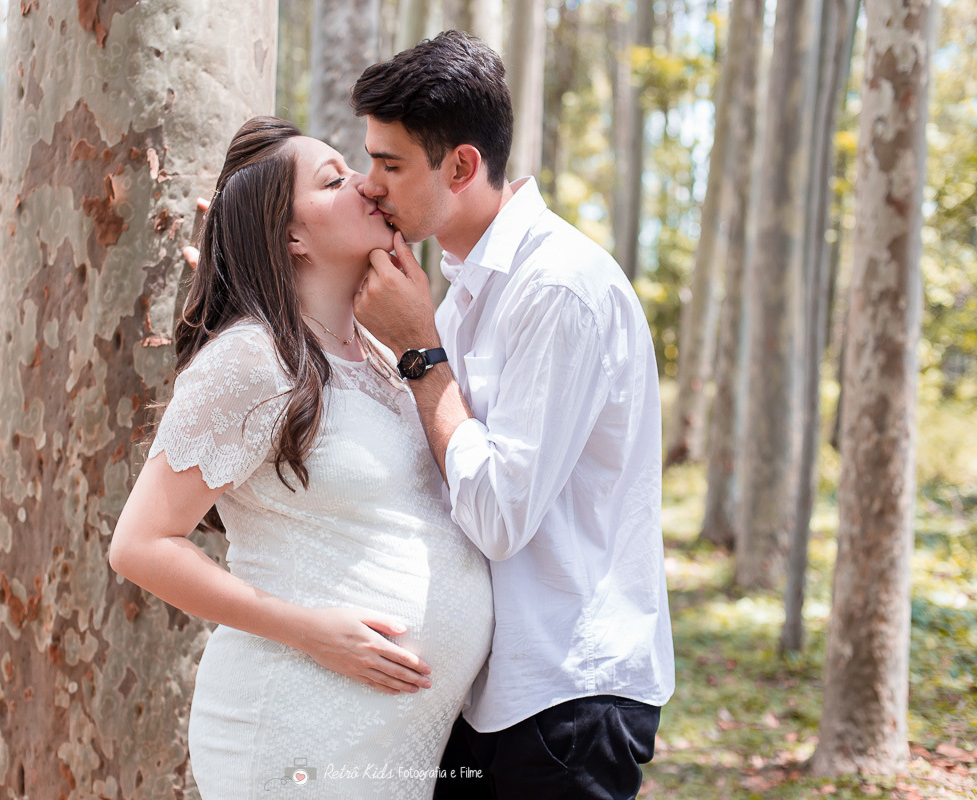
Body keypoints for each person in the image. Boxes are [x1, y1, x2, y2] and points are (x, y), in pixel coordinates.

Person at [108, 116, 493, 799]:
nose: (368, 185)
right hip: (295, 722)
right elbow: (140, 544)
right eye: (334, 180)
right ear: (290, 235)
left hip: (391, 742)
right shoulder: (252, 358)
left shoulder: (379, 354)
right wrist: (312, 633)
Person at [349, 31, 676, 800]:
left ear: (460, 166)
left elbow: (498, 515)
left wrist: (422, 353)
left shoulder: (556, 288)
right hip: (487, 694)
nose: (369, 186)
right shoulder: (465, 286)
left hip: (564, 694)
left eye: (389, 164)